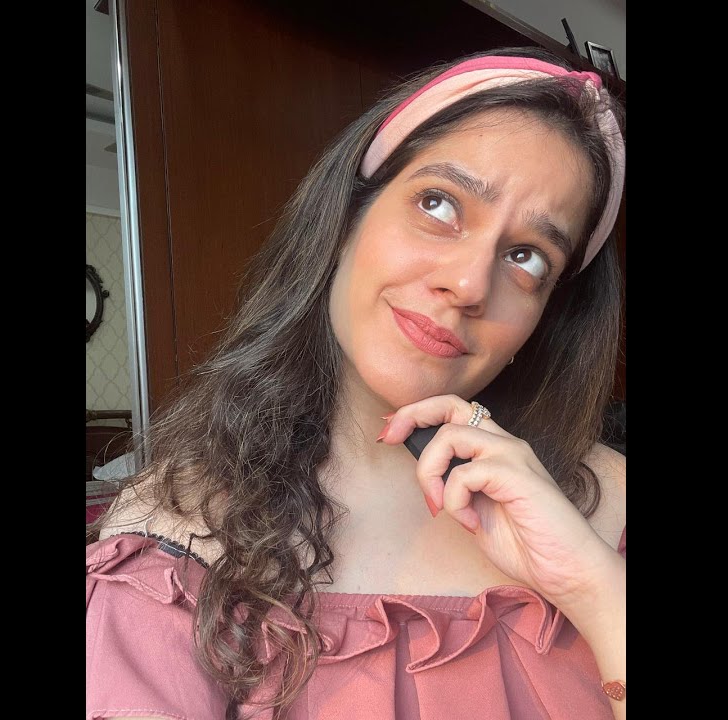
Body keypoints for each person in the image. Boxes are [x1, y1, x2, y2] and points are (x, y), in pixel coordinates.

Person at [87, 46, 627, 720]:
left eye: (527, 257)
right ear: (345, 218)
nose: (468, 284)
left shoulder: (610, 505)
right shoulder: (171, 544)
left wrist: (596, 589)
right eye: (438, 204)